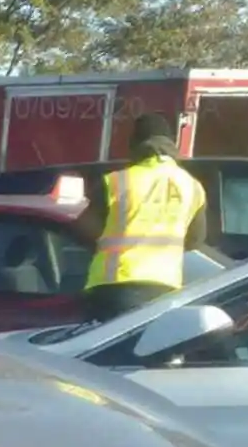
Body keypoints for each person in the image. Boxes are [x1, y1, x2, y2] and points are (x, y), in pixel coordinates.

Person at [81, 114, 207, 321]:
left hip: (113, 287)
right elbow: (195, 240)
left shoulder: (116, 181)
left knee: (107, 353)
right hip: (164, 289)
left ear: (135, 144)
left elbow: (83, 227)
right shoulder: (192, 186)